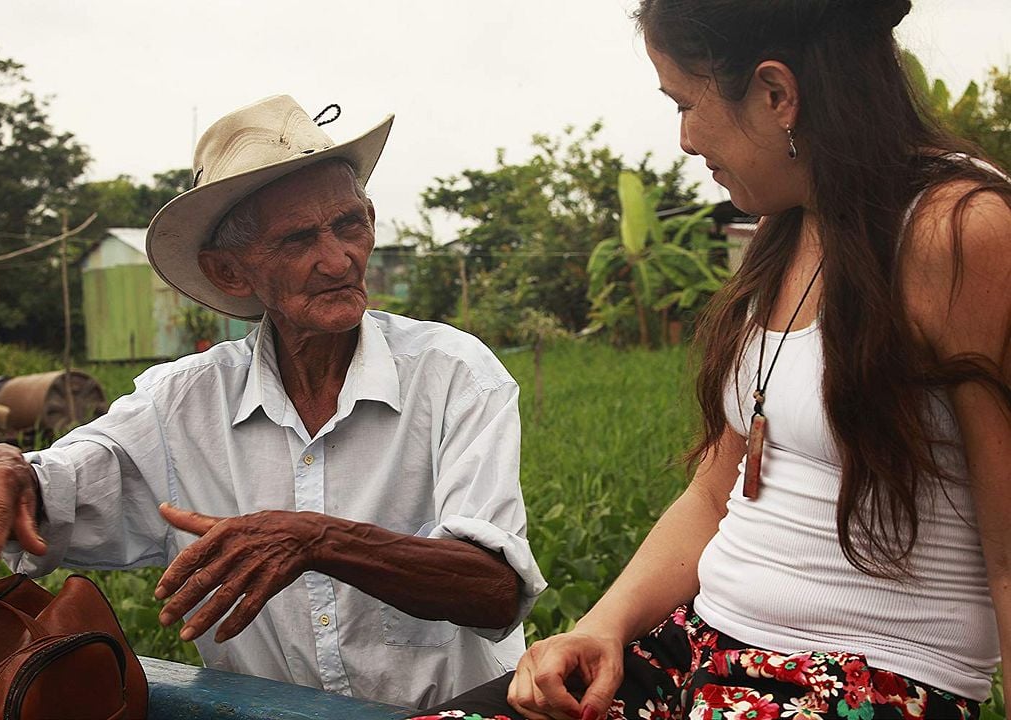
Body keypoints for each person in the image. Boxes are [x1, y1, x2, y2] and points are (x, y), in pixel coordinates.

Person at [411, 1, 1011, 719]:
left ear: (775, 93)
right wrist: (603, 626)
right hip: (695, 650)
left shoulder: (961, 231)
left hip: (862, 682)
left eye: (685, 104)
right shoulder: (786, 227)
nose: (687, 140)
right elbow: (719, 488)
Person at [0, 94, 546, 710]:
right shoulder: (182, 404)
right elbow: (60, 484)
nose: (338, 259)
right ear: (230, 273)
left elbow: (493, 588)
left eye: (350, 224)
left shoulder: (455, 375)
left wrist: (316, 539)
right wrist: (3, 462)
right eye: (299, 238)